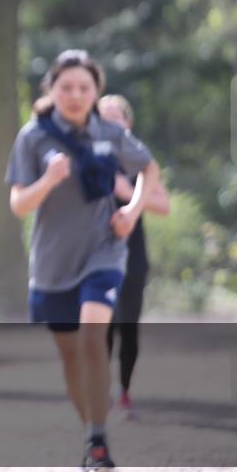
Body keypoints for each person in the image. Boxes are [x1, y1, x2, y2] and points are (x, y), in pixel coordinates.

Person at [5, 49, 160, 472]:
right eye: (66, 87)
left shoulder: (110, 131)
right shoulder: (33, 137)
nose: (75, 95)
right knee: (71, 357)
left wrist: (131, 211)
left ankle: (97, 439)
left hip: (103, 250)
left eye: (84, 88)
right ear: (51, 90)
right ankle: (93, 429)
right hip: (53, 263)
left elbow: (149, 169)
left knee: (94, 335)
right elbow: (19, 203)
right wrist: (48, 179)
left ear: (96, 92)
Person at [97, 94, 170, 420]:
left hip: (132, 255)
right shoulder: (88, 155)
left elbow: (164, 206)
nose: (110, 123)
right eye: (103, 118)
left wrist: (127, 194)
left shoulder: (139, 160)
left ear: (128, 123)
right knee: (99, 325)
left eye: (116, 118)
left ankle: (124, 391)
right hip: (94, 254)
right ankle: (99, 392)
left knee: (127, 325)